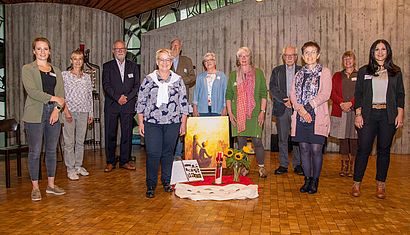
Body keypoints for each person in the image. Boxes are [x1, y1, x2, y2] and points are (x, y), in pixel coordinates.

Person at [352, 39, 404, 199]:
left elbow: (400, 94)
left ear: (388, 52)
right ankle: (356, 183)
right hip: (368, 115)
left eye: (383, 49)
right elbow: (358, 94)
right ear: (372, 52)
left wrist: (400, 113)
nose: (380, 52)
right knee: (363, 150)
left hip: (388, 116)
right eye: (377, 49)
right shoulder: (364, 71)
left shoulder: (396, 71)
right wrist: (358, 114)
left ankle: (381, 185)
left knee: (384, 151)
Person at [136, 48, 189, 198]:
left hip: (173, 122)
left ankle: (166, 181)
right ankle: (151, 184)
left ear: (171, 62)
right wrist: (141, 123)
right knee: (153, 153)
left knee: (167, 154)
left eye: (168, 60)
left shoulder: (178, 80)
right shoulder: (149, 79)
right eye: (162, 60)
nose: (165, 63)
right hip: (152, 123)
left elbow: (183, 104)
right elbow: (141, 102)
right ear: (157, 62)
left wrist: (183, 123)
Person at [22, 37, 66, 201]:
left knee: (51, 150)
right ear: (34, 51)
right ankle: (35, 188)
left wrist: (57, 109)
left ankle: (51, 185)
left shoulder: (57, 70)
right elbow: (32, 92)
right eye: (39, 49)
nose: (42, 52)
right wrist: (54, 99)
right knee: (35, 152)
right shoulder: (28, 69)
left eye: (45, 48)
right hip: (35, 114)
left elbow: (62, 95)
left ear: (49, 51)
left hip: (53, 113)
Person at [290, 41, 332, 194]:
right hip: (301, 116)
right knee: (304, 148)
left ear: (318, 55)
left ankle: (315, 180)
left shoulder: (325, 72)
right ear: (302, 56)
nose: (310, 55)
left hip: (317, 116)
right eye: (306, 52)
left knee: (315, 149)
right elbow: (293, 95)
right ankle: (307, 179)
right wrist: (301, 110)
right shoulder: (298, 74)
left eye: (313, 52)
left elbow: (325, 94)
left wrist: (307, 107)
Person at [226, 47, 268, 178]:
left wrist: (262, 111)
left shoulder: (259, 73)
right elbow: (228, 95)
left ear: (250, 58)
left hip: (255, 113)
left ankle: (261, 167)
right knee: (241, 143)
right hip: (238, 114)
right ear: (238, 59)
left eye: (246, 56)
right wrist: (230, 113)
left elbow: (263, 94)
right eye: (241, 56)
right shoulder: (233, 75)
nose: (244, 58)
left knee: (257, 141)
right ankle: (244, 167)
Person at [102, 40, 140, 172]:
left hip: (128, 105)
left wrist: (127, 97)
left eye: (122, 48)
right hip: (112, 104)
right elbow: (106, 85)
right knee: (110, 134)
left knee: (127, 134)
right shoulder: (107, 66)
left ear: (126, 50)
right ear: (113, 51)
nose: (120, 50)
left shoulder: (134, 66)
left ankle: (125, 161)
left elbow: (136, 86)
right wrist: (117, 97)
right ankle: (110, 161)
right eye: (117, 49)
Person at [269, 45, 302, 175]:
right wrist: (285, 99)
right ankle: (283, 164)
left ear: (296, 57)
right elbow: (272, 88)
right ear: (283, 57)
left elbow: (304, 89)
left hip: (298, 109)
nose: (289, 57)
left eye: (292, 55)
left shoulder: (302, 70)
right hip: (282, 108)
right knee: (282, 138)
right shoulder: (276, 71)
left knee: (297, 138)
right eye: (286, 55)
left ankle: (298, 164)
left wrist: (294, 101)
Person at [62, 49, 94, 180]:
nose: (77, 61)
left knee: (80, 141)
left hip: (83, 112)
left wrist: (90, 112)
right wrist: (65, 110)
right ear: (71, 61)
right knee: (69, 142)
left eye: (80, 59)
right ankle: (70, 169)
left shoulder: (87, 77)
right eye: (75, 59)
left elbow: (89, 96)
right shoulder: (64, 75)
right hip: (69, 111)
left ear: (83, 61)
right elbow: (61, 95)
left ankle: (78, 166)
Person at [330, 51, 358, 177]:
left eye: (350, 59)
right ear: (343, 61)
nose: (348, 61)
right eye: (345, 59)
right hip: (340, 111)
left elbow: (362, 92)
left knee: (354, 140)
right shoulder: (337, 75)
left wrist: (351, 103)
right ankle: (344, 165)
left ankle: (353, 167)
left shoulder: (360, 75)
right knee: (343, 140)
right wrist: (341, 103)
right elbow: (331, 92)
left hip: (355, 112)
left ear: (354, 60)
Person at [171, 38, 195, 160]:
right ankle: (168, 153)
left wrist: (180, 80)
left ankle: (178, 154)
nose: (175, 48)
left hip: (182, 100)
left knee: (181, 126)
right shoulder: (166, 60)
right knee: (170, 127)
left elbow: (192, 77)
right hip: (168, 102)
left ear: (181, 47)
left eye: (177, 45)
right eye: (173, 45)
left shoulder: (187, 60)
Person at [193, 52, 227, 117]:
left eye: (210, 60)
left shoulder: (222, 76)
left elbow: (225, 93)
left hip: (218, 109)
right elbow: (196, 93)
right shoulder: (200, 76)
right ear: (204, 64)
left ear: (215, 62)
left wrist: (225, 107)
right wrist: (195, 108)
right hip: (202, 110)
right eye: (206, 61)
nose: (208, 62)